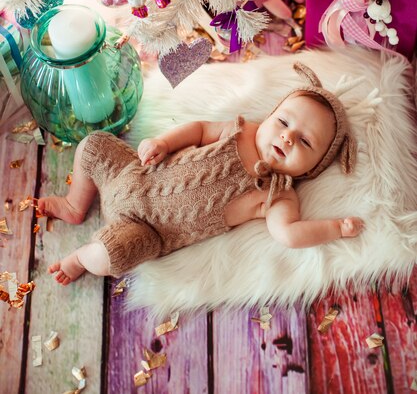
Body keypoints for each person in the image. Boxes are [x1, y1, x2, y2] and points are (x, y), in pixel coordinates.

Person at [38, 62, 363, 286]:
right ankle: (74, 205)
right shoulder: (242, 130)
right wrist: (163, 142)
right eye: (283, 122)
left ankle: (79, 259)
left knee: (111, 255)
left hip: (147, 229)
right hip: (132, 172)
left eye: (305, 141)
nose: (287, 137)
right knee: (92, 145)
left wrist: (336, 228)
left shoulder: (277, 194)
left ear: (315, 167)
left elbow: (288, 234)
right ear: (270, 115)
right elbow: (198, 130)